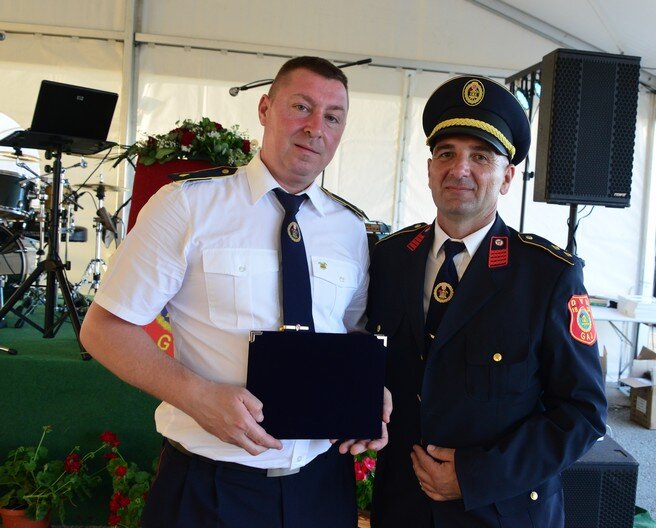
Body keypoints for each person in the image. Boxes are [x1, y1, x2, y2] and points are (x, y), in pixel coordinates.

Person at [80, 57, 390, 527]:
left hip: (322, 487)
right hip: (212, 485)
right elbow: (104, 329)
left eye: (333, 117)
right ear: (265, 109)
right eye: (301, 107)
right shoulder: (188, 205)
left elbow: (351, 335)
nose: (315, 127)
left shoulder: (349, 228)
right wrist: (198, 396)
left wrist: (369, 393)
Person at [366, 76, 607, 527]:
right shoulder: (390, 258)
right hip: (402, 508)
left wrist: (477, 475)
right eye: (446, 154)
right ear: (430, 169)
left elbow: (583, 412)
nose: (459, 169)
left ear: (507, 177)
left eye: (480, 157)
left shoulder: (548, 275)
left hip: (502, 512)